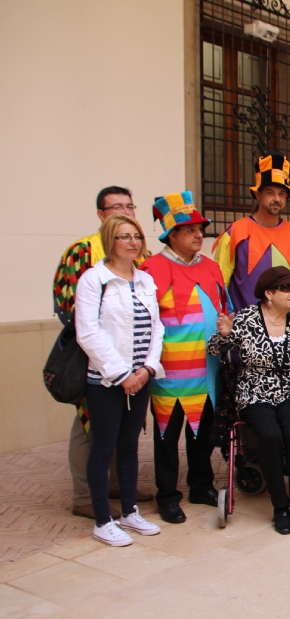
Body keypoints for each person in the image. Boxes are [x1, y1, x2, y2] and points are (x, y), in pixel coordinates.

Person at [208, 267, 290, 536]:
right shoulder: (246, 318)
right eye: (286, 287)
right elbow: (214, 350)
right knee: (269, 435)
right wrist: (223, 335)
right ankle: (280, 506)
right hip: (255, 390)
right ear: (268, 294)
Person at [52, 186, 152, 520]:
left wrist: (144, 368)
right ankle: (85, 496)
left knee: (125, 436)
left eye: (129, 206)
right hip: (95, 361)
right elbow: (72, 310)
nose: (124, 211)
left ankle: (120, 492)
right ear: (101, 214)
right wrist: (113, 365)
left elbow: (154, 321)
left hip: (137, 368)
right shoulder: (82, 254)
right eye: (115, 207)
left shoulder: (142, 264)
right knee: (90, 429)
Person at [139, 191, 230, 524]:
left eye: (199, 228)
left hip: (206, 371)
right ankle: (167, 495)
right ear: (171, 235)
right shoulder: (151, 269)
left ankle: (200, 485)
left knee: (202, 435)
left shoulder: (211, 267)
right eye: (190, 229)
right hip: (169, 374)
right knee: (167, 438)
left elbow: (224, 308)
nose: (198, 234)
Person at [74, 215, 165, 546]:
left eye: (137, 236)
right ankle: (102, 520)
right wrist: (121, 374)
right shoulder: (92, 280)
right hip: (106, 382)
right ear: (110, 241)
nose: (133, 242)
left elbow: (157, 327)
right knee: (103, 448)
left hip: (140, 379)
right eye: (124, 237)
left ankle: (129, 511)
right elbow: (88, 332)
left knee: (129, 447)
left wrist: (147, 369)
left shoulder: (144, 280)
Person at [212, 152, 290, 312]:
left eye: (281, 193)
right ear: (258, 195)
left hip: (284, 329)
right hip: (245, 329)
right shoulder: (235, 233)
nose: (277, 199)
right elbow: (219, 286)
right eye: (270, 192)